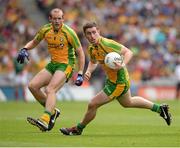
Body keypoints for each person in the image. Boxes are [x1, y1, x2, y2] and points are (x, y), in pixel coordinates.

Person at [60, 21, 172, 135]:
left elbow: (128, 52)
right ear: (85, 35)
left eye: (94, 32)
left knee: (92, 104)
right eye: (89, 33)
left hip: (119, 82)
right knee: (128, 102)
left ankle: (78, 129)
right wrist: (88, 71)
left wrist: (123, 64)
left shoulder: (108, 44)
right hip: (113, 79)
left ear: (99, 31)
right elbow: (93, 62)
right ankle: (160, 109)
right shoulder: (92, 48)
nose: (92, 36)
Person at [16, 8, 85, 132]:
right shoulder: (45, 29)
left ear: (63, 19)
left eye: (59, 18)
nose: (57, 21)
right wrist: (24, 49)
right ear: (50, 19)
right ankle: (52, 112)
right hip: (53, 64)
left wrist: (80, 73)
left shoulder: (69, 32)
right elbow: (34, 41)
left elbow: (80, 52)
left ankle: (45, 118)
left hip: (66, 65)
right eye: (55, 18)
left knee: (50, 89)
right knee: (32, 86)